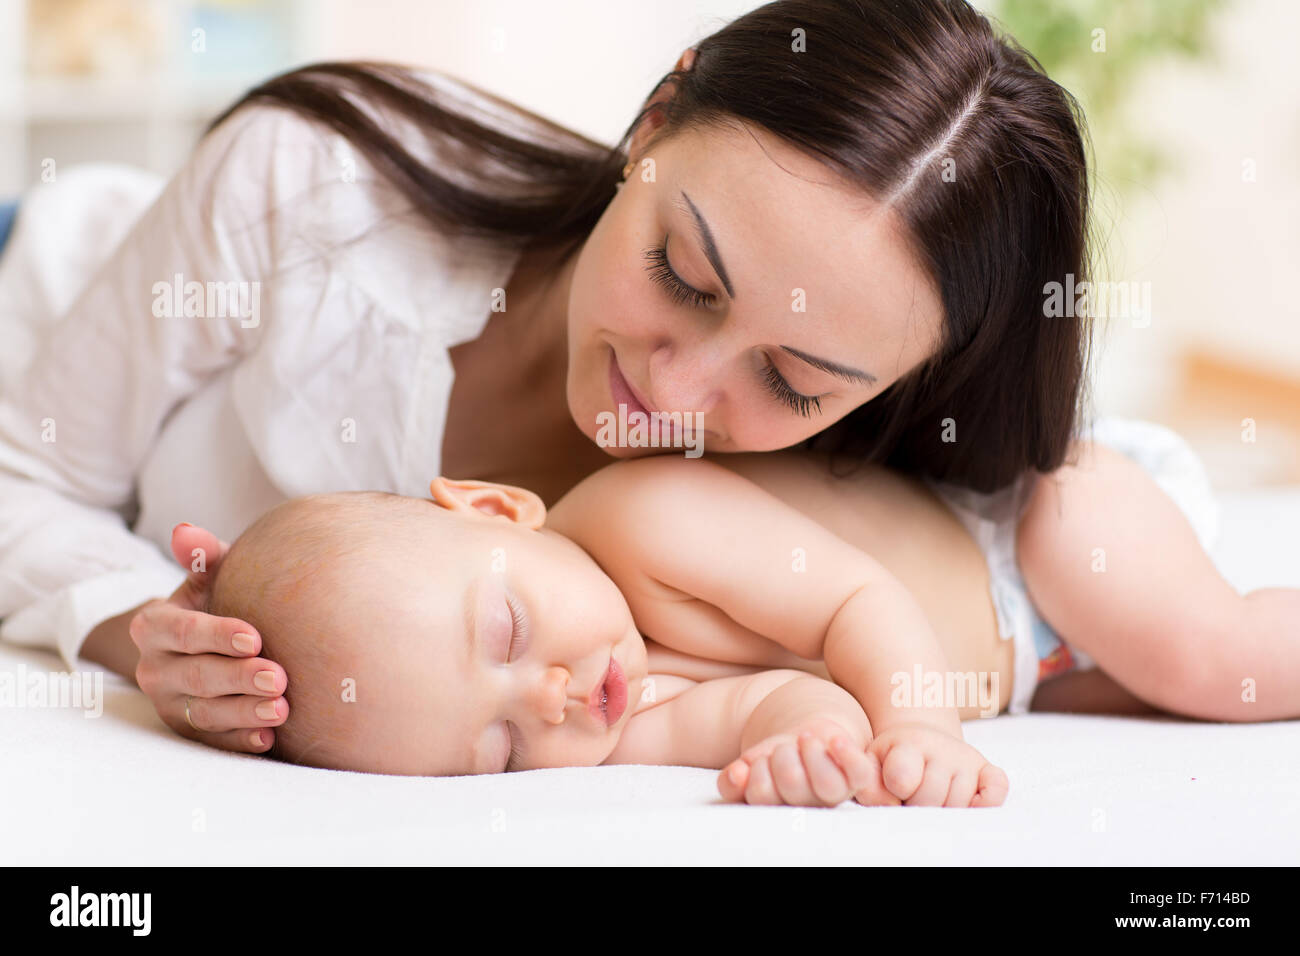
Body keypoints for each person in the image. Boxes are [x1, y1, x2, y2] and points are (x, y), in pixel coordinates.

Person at [4, 0, 1169, 759]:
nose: (676, 389)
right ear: (656, 119)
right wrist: (131, 629)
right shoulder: (310, 188)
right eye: (682, 271)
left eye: (793, 379)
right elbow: (25, 475)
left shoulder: (869, 486)